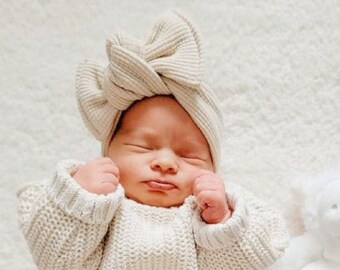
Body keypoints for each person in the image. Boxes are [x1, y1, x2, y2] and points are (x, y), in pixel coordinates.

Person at [17, 10, 289, 270]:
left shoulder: (203, 215)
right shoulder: (101, 212)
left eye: (189, 155)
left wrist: (221, 221)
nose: (165, 162)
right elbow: (56, 262)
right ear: (108, 152)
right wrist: (80, 200)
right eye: (143, 147)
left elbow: (254, 258)